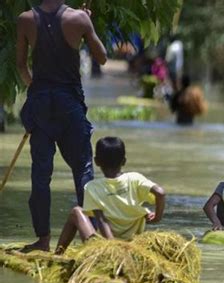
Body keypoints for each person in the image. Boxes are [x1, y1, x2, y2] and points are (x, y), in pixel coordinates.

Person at [16, 0, 107, 252]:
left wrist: (37, 89)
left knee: (40, 175)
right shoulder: (78, 19)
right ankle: (91, 236)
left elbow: (22, 66)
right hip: (70, 105)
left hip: (41, 104)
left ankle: (43, 240)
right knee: (83, 170)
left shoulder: (25, 19)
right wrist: (88, 24)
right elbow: (102, 57)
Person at [54, 137, 165, 254]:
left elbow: (102, 220)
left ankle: (58, 254)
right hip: (134, 245)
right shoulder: (135, 178)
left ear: (96, 161)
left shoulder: (92, 187)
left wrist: (113, 249)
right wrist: (157, 217)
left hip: (108, 247)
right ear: (124, 161)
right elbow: (160, 193)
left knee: (76, 212)